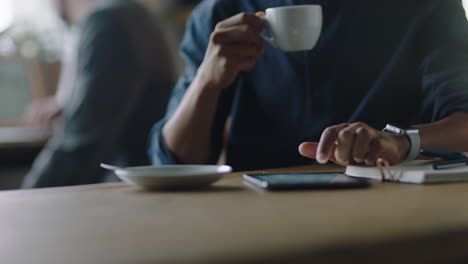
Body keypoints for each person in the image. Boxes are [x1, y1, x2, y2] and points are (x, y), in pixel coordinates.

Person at [149, 0, 468, 171]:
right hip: (256, 215)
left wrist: (401, 141)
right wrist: (206, 82)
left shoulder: (425, 6)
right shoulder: (221, 12)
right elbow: (173, 164)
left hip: (385, 200)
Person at [22, 0, 177, 188]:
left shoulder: (108, 22)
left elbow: (82, 142)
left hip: (130, 189)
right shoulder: (132, 15)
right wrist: (70, 107)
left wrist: (28, 194)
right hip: (143, 183)